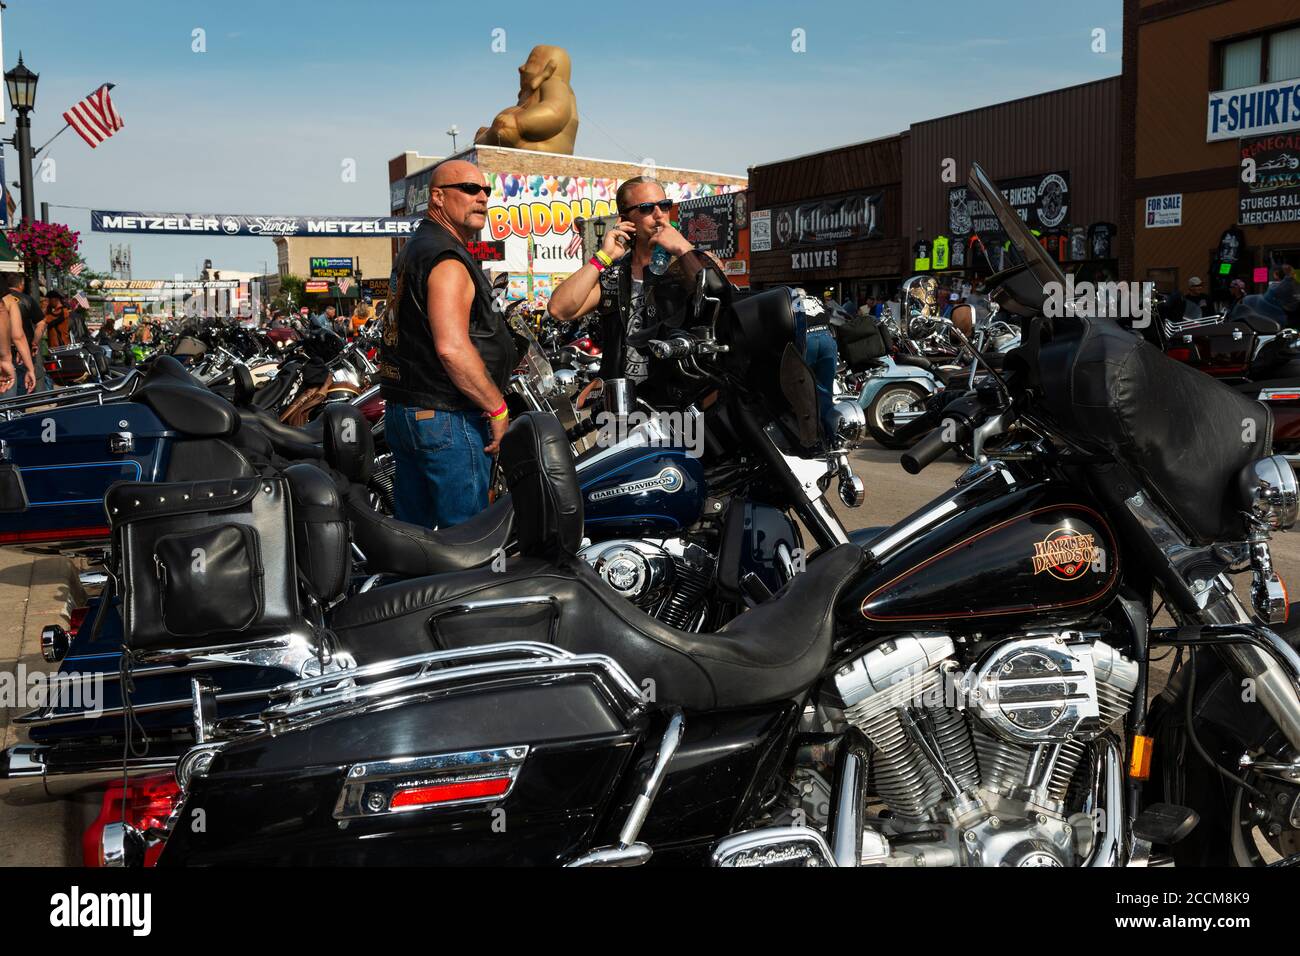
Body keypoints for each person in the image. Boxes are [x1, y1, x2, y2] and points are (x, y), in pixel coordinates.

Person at [378, 158, 517, 529]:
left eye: (486, 191)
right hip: (446, 417)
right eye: (470, 189)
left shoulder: (415, 248)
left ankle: (413, 588)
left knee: (418, 540)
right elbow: (451, 349)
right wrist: (497, 408)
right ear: (437, 197)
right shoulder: (446, 258)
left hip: (409, 413)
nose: (483, 198)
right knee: (469, 542)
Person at [547, 175, 712, 391]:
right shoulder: (613, 274)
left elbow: (718, 298)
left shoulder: (690, 263)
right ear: (625, 220)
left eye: (664, 205)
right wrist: (603, 256)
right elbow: (559, 309)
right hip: (621, 404)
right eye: (646, 208)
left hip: (676, 401)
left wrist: (682, 249)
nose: (659, 214)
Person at [793, 290, 839, 441]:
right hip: (827, 337)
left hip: (808, 339)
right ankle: (831, 434)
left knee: (803, 387)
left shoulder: (794, 302)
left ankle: (808, 434)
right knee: (826, 389)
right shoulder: (816, 299)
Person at [1, 275, 38, 397]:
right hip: (3, 363)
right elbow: (18, 336)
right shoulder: (8, 300)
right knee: (6, 411)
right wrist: (30, 368)